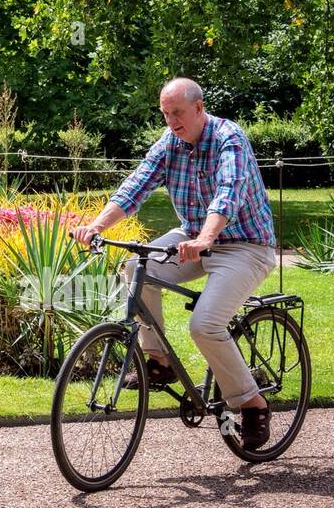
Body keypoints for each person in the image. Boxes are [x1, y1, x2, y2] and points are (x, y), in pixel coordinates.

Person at [69, 77, 278, 450]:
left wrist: (205, 239)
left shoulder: (229, 138)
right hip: (195, 238)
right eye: (166, 115)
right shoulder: (170, 142)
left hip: (245, 245)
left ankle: (252, 403)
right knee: (137, 268)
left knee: (205, 325)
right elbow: (137, 185)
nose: (172, 122)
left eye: (177, 113)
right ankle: (158, 359)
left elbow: (228, 193)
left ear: (199, 108)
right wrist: (96, 226)